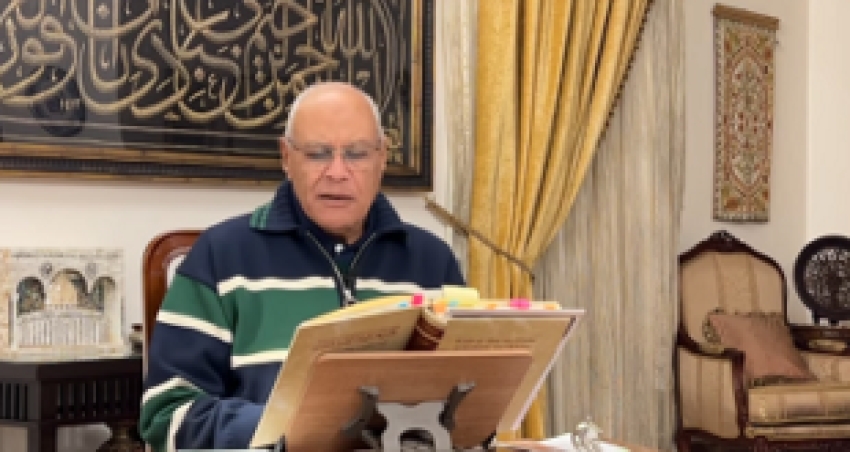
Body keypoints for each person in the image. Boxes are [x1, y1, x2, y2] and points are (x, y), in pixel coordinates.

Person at [138, 82, 465, 451]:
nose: (337, 172)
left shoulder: (433, 261)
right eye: (317, 154)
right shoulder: (220, 256)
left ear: (382, 157)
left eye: (356, 154)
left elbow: (471, 406)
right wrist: (288, 429)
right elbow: (165, 416)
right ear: (286, 157)